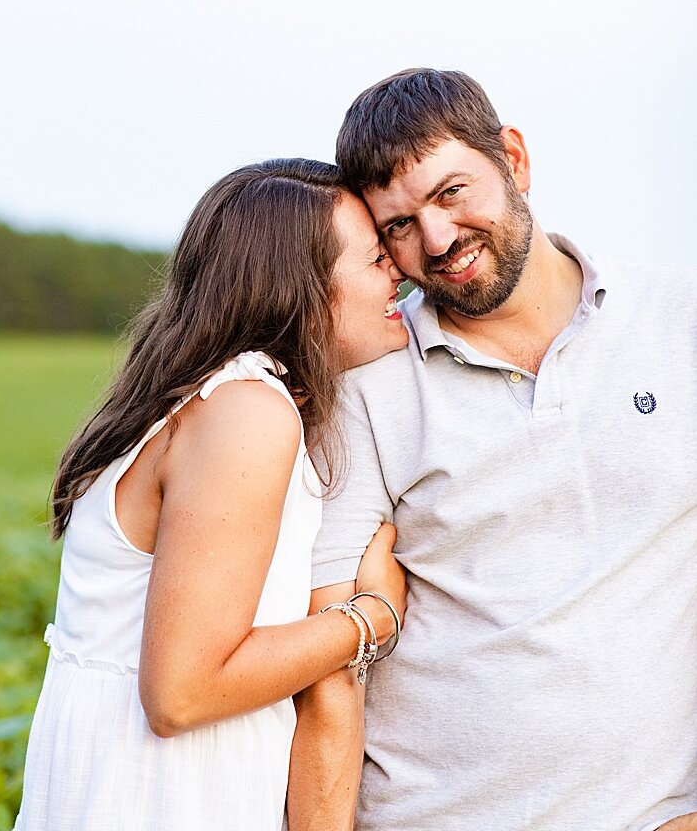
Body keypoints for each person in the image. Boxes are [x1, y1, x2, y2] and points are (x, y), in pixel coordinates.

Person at [289, 69, 697, 831]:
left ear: (513, 158)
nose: (437, 241)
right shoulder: (369, 381)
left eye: (450, 194)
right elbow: (330, 676)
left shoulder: (680, 320)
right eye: (399, 227)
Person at [13, 158, 411, 830]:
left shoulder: (198, 399)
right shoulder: (248, 411)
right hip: (161, 800)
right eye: (375, 258)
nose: (398, 270)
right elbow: (181, 693)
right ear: (305, 290)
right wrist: (372, 618)